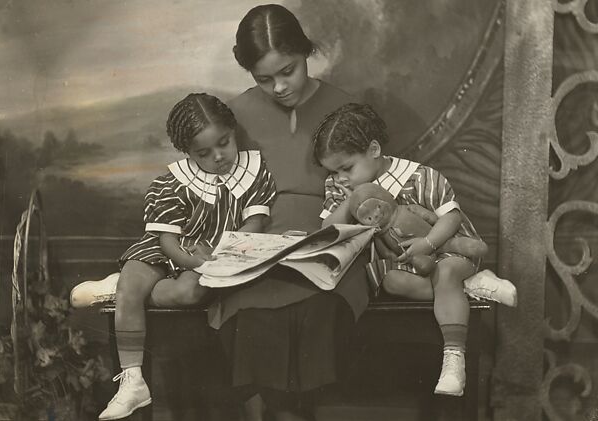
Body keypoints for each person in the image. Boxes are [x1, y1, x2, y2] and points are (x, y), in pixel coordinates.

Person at [207, 4, 370, 420]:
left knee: (316, 309)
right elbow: (215, 187)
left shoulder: (344, 107)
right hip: (256, 242)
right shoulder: (234, 117)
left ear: (306, 54)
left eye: (289, 71)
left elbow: (370, 185)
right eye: (264, 79)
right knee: (251, 310)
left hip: (330, 243)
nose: (279, 87)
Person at [70, 93, 276, 420]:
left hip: (213, 254)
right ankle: (133, 381)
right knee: (138, 277)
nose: (219, 156)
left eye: (224, 143)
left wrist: (223, 254)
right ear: (187, 151)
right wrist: (191, 261)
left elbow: (255, 222)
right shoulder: (174, 182)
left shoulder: (253, 170)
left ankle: (124, 291)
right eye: (203, 153)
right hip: (169, 250)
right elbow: (166, 241)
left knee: (189, 292)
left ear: (233, 130)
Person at [312, 102, 516, 397]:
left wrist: (428, 243)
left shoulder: (419, 177)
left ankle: (453, 361)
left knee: (446, 271)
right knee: (391, 282)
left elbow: (452, 218)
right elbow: (327, 234)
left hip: (449, 251)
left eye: (346, 168)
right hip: (405, 265)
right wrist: (350, 199)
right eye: (334, 171)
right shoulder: (338, 186)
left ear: (373, 149)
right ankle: (472, 287)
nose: (340, 177)